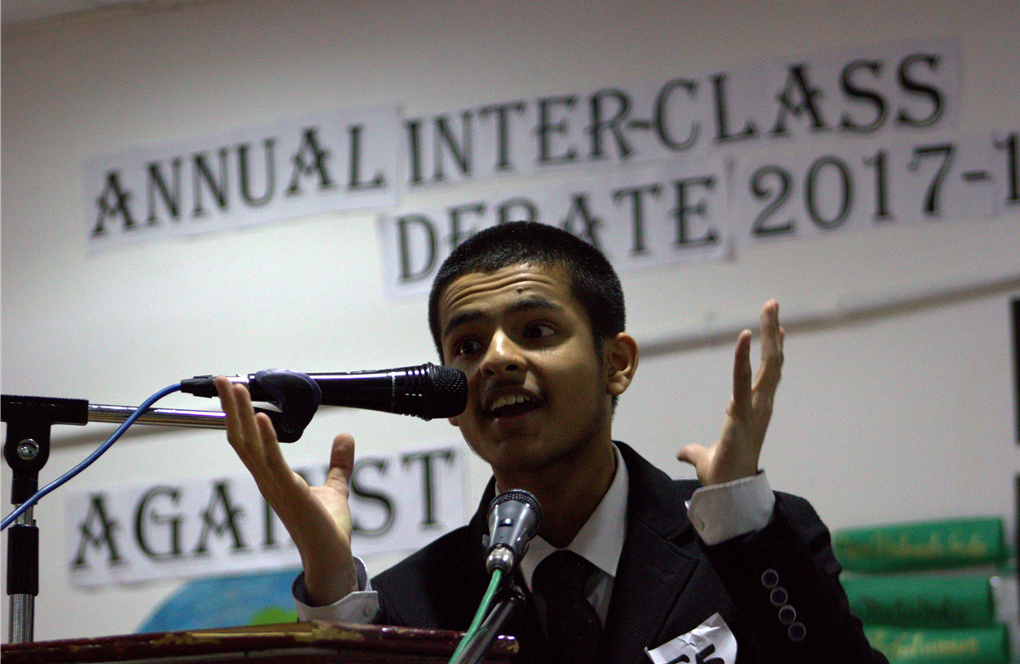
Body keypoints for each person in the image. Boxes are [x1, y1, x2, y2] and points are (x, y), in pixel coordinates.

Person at [216, 221, 886, 663]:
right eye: (467, 346)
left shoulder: (745, 543)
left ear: (616, 363)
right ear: (448, 402)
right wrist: (330, 579)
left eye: (536, 331)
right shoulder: (411, 604)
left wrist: (741, 525)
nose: (497, 360)